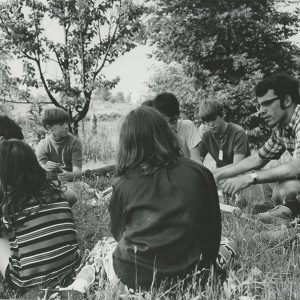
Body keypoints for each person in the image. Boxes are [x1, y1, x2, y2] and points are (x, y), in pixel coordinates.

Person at [64, 106, 235, 294]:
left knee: (103, 245)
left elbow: (119, 235)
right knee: (229, 242)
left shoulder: (124, 184)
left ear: (127, 143)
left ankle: (77, 287)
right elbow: (213, 231)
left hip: (135, 281)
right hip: (196, 275)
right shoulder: (201, 172)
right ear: (167, 134)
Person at [214, 73, 300, 225]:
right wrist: (218, 174)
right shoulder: (282, 128)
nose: (260, 111)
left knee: (287, 188)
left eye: (266, 103)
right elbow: (259, 158)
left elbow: (296, 167)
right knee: (270, 183)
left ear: (286, 100)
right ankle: (278, 213)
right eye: (260, 105)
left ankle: (289, 221)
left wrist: (250, 178)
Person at [0, 139, 81, 293]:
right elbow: (73, 197)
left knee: (2, 235)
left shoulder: (9, 206)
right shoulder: (56, 191)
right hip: (71, 268)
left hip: (27, 284)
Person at [198, 99, 250, 168]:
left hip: (242, 174)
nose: (211, 124)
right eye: (207, 121)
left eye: (213, 119)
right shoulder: (206, 136)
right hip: (220, 175)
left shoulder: (238, 132)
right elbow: (197, 163)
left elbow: (238, 167)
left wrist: (215, 173)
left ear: (222, 115)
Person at [153, 92, 202, 163]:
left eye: (172, 121)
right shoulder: (153, 133)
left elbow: (196, 160)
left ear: (178, 115)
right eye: (164, 123)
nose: (169, 127)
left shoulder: (187, 126)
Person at [36, 107, 83, 182]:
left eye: (67, 123)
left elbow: (78, 173)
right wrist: (45, 167)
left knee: (84, 187)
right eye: (61, 124)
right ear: (49, 127)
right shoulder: (42, 145)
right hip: (51, 184)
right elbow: (40, 170)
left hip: (71, 182)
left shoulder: (74, 142)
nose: (67, 126)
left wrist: (69, 175)